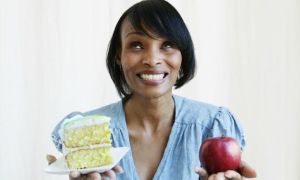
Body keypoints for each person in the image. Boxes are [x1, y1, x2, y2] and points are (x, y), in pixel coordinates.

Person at [48, 0, 257, 179]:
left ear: (182, 56)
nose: (152, 59)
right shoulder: (86, 133)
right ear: (118, 56)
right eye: (137, 45)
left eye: (167, 44)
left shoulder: (212, 126)